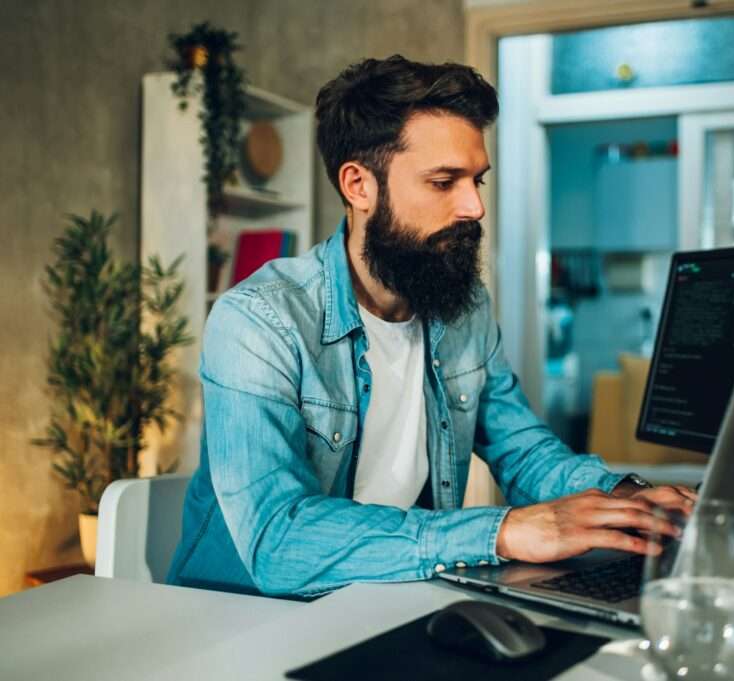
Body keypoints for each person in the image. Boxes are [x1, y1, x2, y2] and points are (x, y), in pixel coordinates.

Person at [167, 55, 696, 597]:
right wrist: (503, 531)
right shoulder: (258, 322)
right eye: (444, 182)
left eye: (477, 181)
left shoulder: (464, 309)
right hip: (244, 617)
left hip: (391, 596)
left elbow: (523, 450)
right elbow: (278, 542)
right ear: (358, 185)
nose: (474, 207)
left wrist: (623, 498)